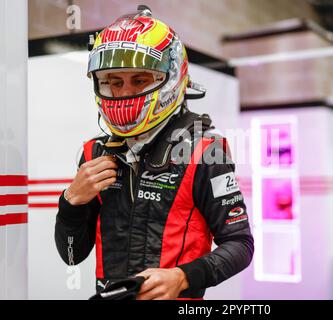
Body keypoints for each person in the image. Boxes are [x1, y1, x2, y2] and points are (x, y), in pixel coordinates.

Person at [54, 6, 254, 300]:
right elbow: (72, 257)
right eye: (113, 81)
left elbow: (240, 244)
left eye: (139, 80)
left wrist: (183, 277)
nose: (123, 93)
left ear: (170, 78)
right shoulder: (94, 152)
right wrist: (71, 202)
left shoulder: (204, 151)